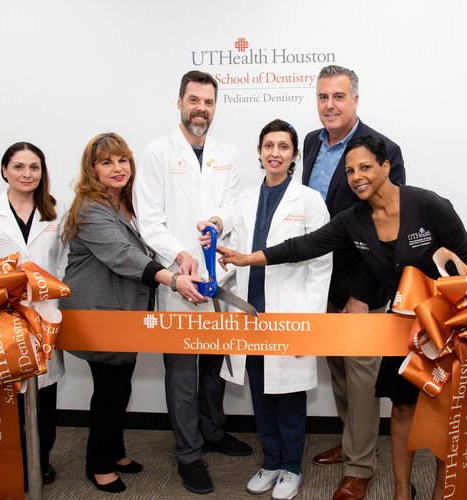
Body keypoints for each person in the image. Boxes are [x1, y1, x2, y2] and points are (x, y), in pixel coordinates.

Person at [217, 135, 467, 500]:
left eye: (365, 167)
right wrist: (247, 258)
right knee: (402, 408)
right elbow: (304, 246)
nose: (357, 176)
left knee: (443, 411)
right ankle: (400, 490)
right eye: (350, 171)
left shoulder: (427, 204)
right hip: (402, 328)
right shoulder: (354, 219)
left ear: (386, 167)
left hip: (449, 328)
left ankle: (443, 489)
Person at [61, 132, 204, 494]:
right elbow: (125, 257)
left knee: (120, 386)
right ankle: (99, 464)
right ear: (92, 169)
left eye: (122, 160)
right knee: (109, 391)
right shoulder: (91, 209)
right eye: (106, 162)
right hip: (97, 314)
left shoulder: (127, 203)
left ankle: (116, 451)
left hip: (124, 314)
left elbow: (148, 243)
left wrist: (180, 255)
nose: (117, 168)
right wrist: (173, 279)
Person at [133, 70, 252, 495]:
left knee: (214, 367)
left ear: (215, 107)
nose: (201, 108)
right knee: (182, 371)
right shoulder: (156, 152)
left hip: (219, 275)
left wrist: (220, 220)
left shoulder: (228, 153)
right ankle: (189, 454)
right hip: (178, 280)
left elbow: (234, 207)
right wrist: (178, 258)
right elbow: (148, 220)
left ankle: (213, 431)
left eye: (208, 101)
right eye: (194, 100)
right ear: (179, 102)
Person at [301, 65, 406, 500]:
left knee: (363, 379)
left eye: (339, 97)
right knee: (340, 374)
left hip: (361, 287)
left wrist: (362, 295)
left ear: (356, 100)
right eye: (323, 96)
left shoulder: (384, 149)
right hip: (319, 282)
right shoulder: (309, 142)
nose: (330, 105)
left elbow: (388, 227)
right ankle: (351, 444)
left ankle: (361, 467)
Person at [217, 119, 332, 499]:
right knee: (261, 393)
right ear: (259, 152)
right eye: (268, 146)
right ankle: (270, 461)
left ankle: (291, 467)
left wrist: (309, 320)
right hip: (251, 311)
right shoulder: (246, 198)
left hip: (290, 313)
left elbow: (321, 264)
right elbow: (229, 241)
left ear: (295, 155)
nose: (275, 153)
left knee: (289, 395)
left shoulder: (310, 201)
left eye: (283, 147)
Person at [0, 142, 68, 488]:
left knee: (44, 391)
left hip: (43, 314)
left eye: (34, 167)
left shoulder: (55, 211)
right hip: (1, 317)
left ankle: (42, 459)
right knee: (9, 395)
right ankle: (16, 460)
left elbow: (63, 263)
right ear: (4, 170)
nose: (27, 174)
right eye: (20, 167)